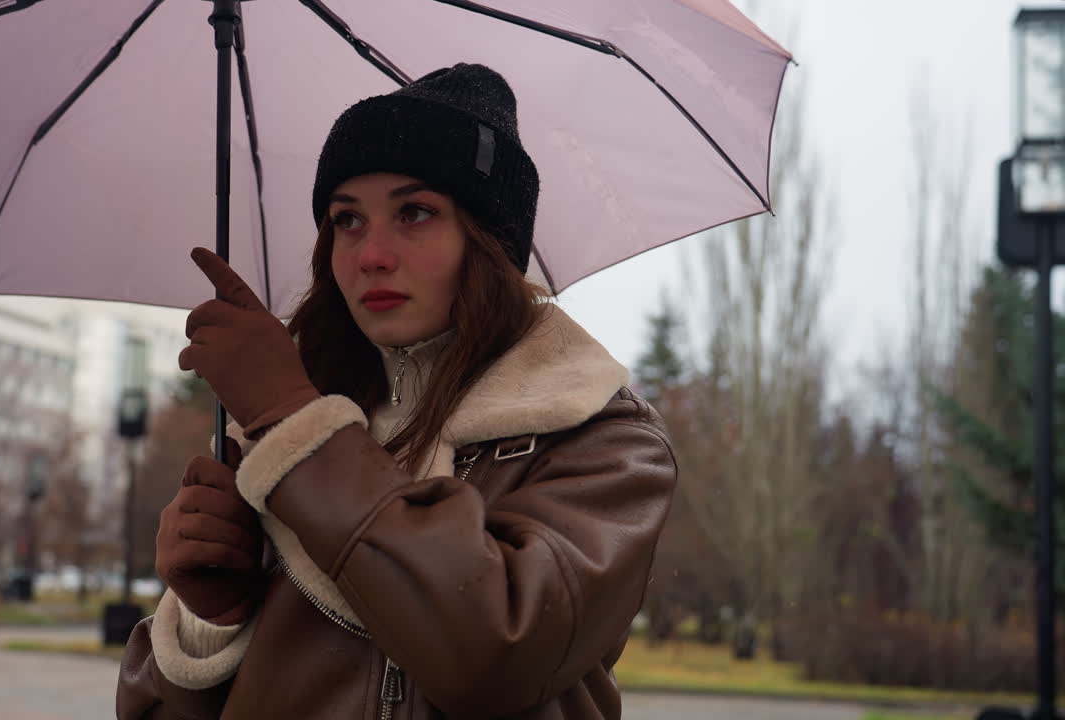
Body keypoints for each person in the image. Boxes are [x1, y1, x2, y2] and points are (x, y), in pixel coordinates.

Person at [116, 63, 677, 720]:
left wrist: (293, 426)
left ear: (491, 241)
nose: (371, 254)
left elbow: (494, 654)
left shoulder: (606, 443)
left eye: (414, 212)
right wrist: (210, 621)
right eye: (346, 219)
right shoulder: (264, 447)